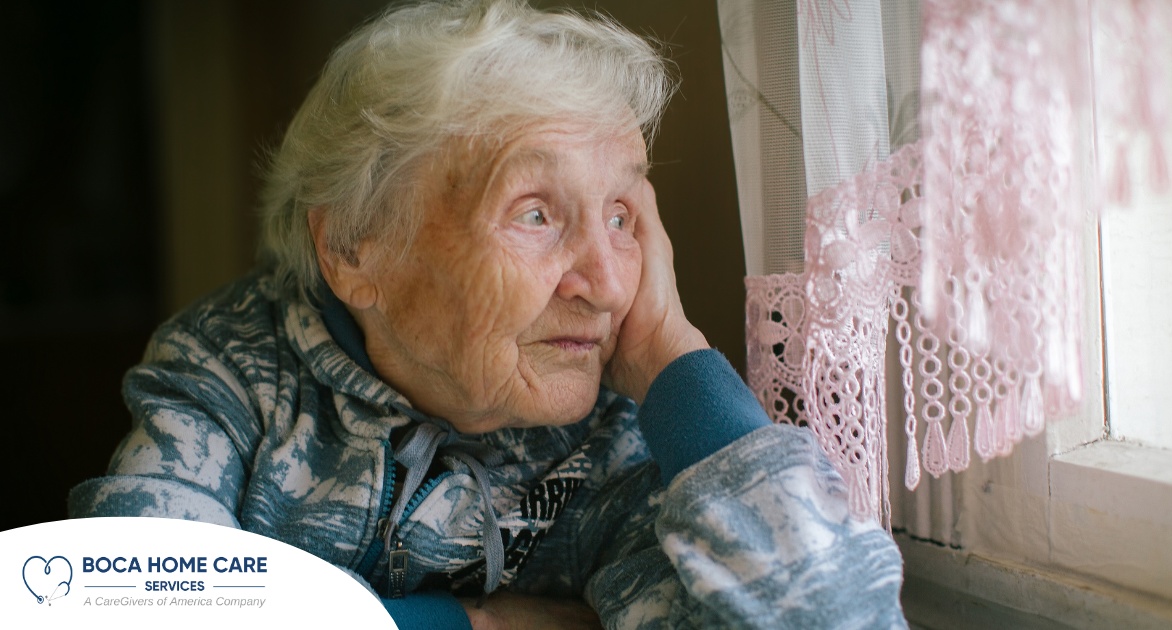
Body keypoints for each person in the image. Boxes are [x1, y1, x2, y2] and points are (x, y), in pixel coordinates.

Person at [69, 1, 907, 627]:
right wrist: (473, 623)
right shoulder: (232, 373)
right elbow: (116, 602)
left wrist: (673, 358)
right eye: (535, 212)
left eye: (621, 214)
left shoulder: (618, 435)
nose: (609, 286)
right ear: (355, 247)